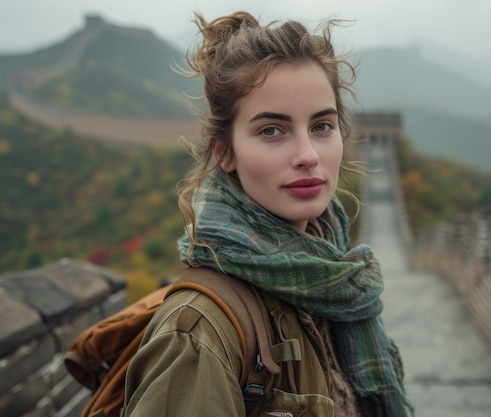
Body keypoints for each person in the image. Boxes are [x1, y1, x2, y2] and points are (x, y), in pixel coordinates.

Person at [123, 10, 413, 417]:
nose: (308, 156)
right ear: (225, 152)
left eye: (322, 126)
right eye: (271, 130)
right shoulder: (197, 332)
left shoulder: (338, 278)